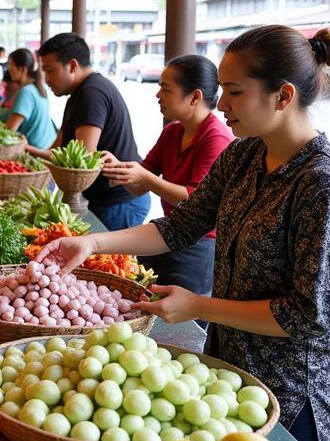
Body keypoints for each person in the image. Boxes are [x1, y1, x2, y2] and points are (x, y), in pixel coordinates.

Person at [38, 26, 330, 441]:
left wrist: (199, 307)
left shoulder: (327, 184)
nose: (223, 103)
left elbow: (310, 315)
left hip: (294, 395)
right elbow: (180, 227)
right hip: (228, 376)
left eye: (234, 92)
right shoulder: (243, 156)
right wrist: (90, 243)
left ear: (283, 96)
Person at [100, 55, 234, 298]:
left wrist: (145, 177)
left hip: (201, 246)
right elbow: (140, 187)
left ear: (194, 97)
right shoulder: (172, 131)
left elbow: (194, 202)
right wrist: (119, 170)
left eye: (165, 89)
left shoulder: (216, 138)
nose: (158, 95)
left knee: (180, 324)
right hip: (167, 235)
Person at [35, 31, 150, 229]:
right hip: (106, 199)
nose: (46, 78)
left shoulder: (91, 93)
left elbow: (83, 160)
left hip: (119, 200)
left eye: (50, 70)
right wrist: (26, 151)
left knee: (109, 260)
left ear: (72, 66)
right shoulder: (78, 95)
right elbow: (56, 151)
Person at [2, 48, 56, 151]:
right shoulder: (37, 88)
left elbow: (9, 130)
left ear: (23, 69)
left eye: (11, 64)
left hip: (35, 151)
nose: (8, 69)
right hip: (46, 147)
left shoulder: (26, 92)